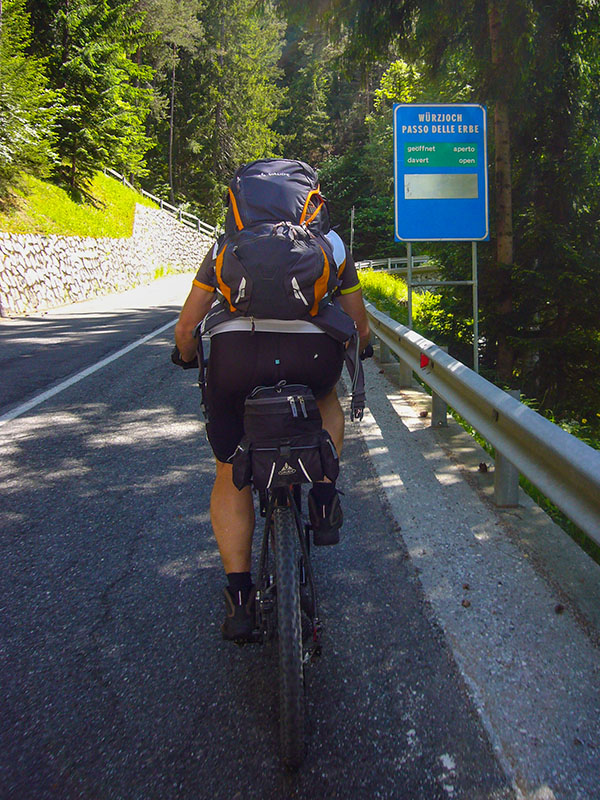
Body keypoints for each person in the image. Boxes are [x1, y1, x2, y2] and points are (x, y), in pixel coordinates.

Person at [172, 163, 370, 642]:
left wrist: (184, 353)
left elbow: (187, 326)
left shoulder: (223, 247)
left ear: (243, 204)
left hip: (238, 362)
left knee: (229, 471)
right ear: (309, 201)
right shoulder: (332, 246)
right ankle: (322, 500)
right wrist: (362, 346)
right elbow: (358, 322)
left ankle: (240, 600)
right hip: (312, 356)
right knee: (327, 399)